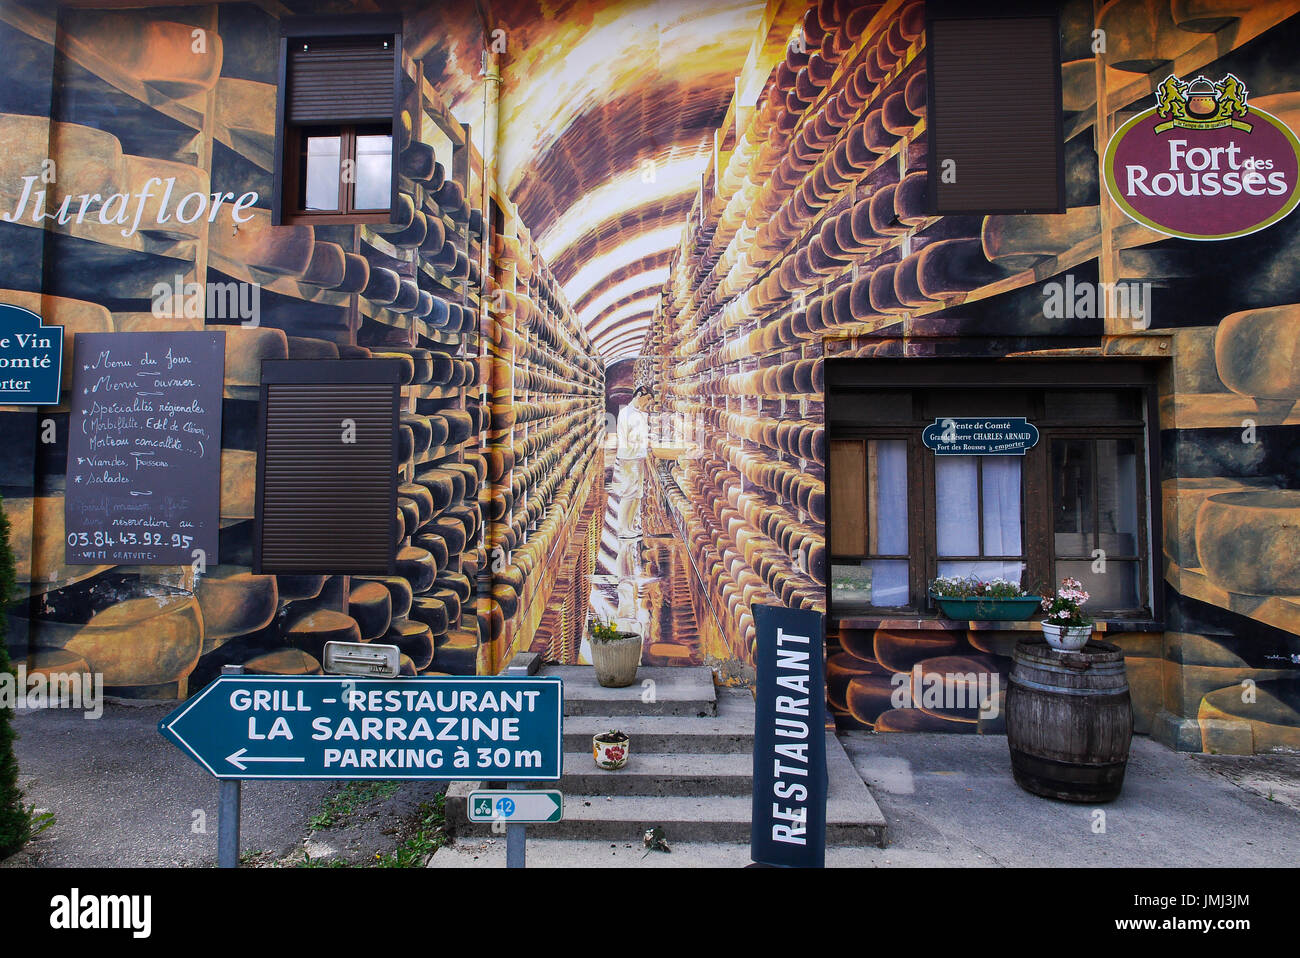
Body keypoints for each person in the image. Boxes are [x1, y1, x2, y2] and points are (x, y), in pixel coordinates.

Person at [612, 385, 651, 541]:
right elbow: (627, 437)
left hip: (638, 456)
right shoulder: (626, 413)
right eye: (648, 399)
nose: (648, 403)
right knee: (629, 493)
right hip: (629, 457)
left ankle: (630, 525)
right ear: (640, 394)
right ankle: (623, 529)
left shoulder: (640, 413)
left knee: (637, 493)